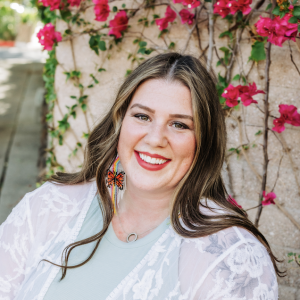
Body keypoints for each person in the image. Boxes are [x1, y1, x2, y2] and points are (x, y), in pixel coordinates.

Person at [0, 53, 282, 300]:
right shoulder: (49, 205)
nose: (155, 138)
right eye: (143, 117)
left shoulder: (231, 259)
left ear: (204, 140)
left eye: (179, 124)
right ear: (120, 121)